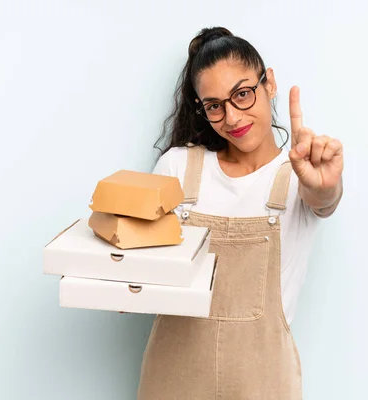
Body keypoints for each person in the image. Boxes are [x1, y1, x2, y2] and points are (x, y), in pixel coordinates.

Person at [137, 26, 344, 399]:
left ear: (270, 85)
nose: (232, 118)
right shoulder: (176, 167)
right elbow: (142, 263)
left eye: (242, 94)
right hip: (173, 381)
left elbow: (323, 199)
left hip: (263, 383)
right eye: (215, 105)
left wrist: (324, 185)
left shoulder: (300, 176)